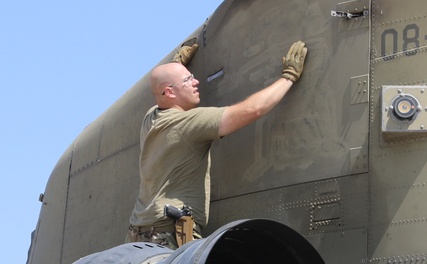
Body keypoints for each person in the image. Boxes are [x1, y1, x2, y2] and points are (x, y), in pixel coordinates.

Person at [126, 39, 308, 249]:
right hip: (168, 237)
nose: (196, 82)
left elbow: (164, 91)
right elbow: (251, 110)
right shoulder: (188, 124)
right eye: (188, 80)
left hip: (137, 238)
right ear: (169, 92)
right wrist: (289, 77)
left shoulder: (151, 117)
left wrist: (177, 64)